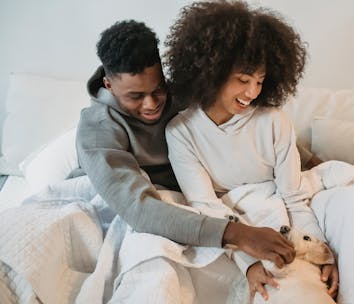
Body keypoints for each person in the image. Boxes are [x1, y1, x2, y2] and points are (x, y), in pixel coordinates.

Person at [75, 19, 297, 282]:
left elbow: (245, 130)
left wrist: (301, 155)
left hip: (194, 189)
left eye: (158, 89)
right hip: (144, 202)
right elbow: (139, 210)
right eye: (135, 96)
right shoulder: (97, 129)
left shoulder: (180, 94)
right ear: (109, 85)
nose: (151, 104)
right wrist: (240, 234)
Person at [164, 1, 338, 302]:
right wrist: (250, 263)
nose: (252, 93)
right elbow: (205, 204)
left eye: (260, 81)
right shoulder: (181, 132)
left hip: (282, 219)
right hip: (231, 229)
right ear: (212, 71)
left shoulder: (274, 121)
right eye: (243, 80)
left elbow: (294, 198)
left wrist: (319, 251)